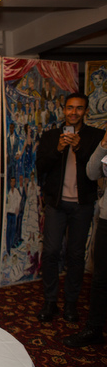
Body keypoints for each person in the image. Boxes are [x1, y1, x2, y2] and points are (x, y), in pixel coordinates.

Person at [36, 93, 104, 322]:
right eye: (70, 108)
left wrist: (79, 148)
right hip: (56, 203)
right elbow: (41, 166)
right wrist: (58, 148)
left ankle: (71, 304)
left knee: (76, 255)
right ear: (63, 109)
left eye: (79, 108)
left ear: (85, 111)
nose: (73, 112)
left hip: (82, 205)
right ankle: (50, 301)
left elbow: (97, 172)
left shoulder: (96, 137)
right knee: (51, 252)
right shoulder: (51, 135)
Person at [63, 130, 107, 347]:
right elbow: (92, 172)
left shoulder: (89, 135)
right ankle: (94, 327)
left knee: (78, 255)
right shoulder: (103, 140)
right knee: (100, 277)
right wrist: (104, 144)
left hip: (85, 206)